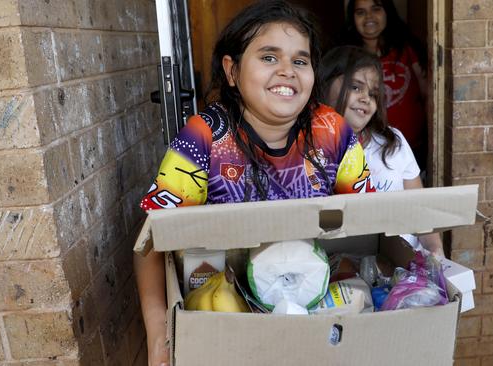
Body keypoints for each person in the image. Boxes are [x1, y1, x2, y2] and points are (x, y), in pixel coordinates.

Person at [134, 2, 373, 365]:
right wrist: (158, 337)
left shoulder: (332, 130)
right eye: (268, 57)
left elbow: (368, 224)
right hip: (228, 319)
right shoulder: (205, 137)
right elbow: (151, 242)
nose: (286, 72)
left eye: (299, 61)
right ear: (232, 71)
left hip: (313, 311)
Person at [319, 45, 443, 256]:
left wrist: (435, 249)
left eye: (373, 93)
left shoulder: (393, 142)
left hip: (405, 260)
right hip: (344, 262)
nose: (366, 98)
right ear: (326, 84)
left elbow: (420, 210)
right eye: (356, 87)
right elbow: (319, 223)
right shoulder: (309, 152)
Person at [343, 0, 430, 173]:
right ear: (352, 19)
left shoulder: (407, 48)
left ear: (387, 13)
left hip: (412, 146)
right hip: (363, 150)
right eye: (360, 12)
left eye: (376, 9)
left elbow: (428, 94)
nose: (369, 17)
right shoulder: (347, 57)